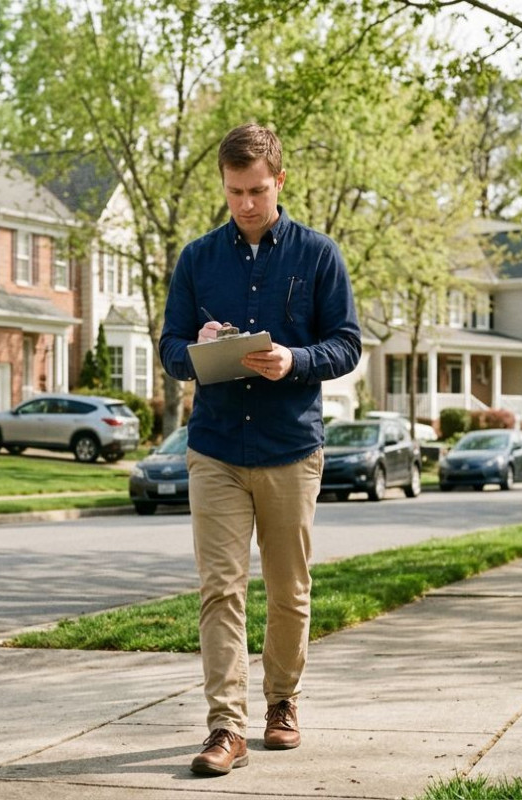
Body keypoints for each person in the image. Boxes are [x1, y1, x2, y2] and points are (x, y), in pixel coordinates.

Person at [159, 123, 362, 776]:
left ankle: (281, 702)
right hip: (215, 447)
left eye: (255, 190)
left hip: (289, 450)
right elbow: (170, 349)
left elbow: (347, 344)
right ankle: (225, 727)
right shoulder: (197, 260)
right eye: (233, 191)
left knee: (288, 590)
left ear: (279, 181)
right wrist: (201, 346)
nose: (244, 203)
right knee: (220, 589)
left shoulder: (319, 256)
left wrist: (294, 359)